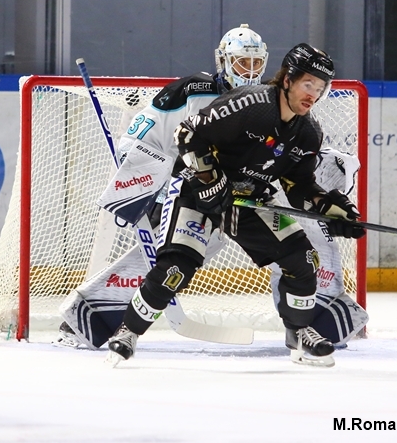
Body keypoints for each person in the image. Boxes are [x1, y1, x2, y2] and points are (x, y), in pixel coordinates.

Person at [58, 29, 368, 353]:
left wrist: (329, 207)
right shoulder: (204, 93)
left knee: (301, 255)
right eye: (241, 61)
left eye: (255, 62)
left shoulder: (301, 127)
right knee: (175, 265)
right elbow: (152, 139)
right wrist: (161, 189)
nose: (248, 70)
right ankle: (101, 319)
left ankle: (305, 326)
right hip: (195, 191)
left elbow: (298, 183)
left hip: (246, 199)